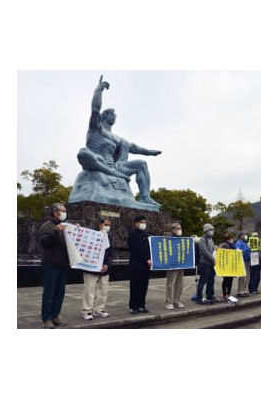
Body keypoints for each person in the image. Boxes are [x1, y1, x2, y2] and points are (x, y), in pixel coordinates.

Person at [77, 75, 162, 207]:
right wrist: (98, 90)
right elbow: (95, 109)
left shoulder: (117, 138)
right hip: (98, 162)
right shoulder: (96, 128)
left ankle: (145, 197)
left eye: (115, 115)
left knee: (141, 164)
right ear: (105, 116)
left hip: (116, 167)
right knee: (83, 153)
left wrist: (150, 152)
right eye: (112, 114)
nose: (115, 117)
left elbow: (134, 147)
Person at [39, 203, 70, 329]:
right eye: (62, 211)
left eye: (64, 211)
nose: (64, 213)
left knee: (59, 292)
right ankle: (46, 318)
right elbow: (44, 241)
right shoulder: (48, 226)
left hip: (62, 264)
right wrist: (55, 232)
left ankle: (55, 316)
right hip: (50, 264)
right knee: (49, 293)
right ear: (55, 212)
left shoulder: (65, 226)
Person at [81, 217, 113, 320]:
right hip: (92, 268)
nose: (107, 227)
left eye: (109, 225)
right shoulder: (91, 235)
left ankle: (99, 309)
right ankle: (87, 311)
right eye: (106, 224)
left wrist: (107, 264)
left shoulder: (109, 237)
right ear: (100, 225)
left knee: (103, 290)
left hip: (104, 268)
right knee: (89, 290)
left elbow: (111, 253)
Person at [127, 215, 152, 314]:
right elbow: (136, 249)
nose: (143, 224)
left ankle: (142, 305)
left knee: (143, 286)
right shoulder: (132, 235)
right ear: (136, 223)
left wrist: (150, 259)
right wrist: (146, 259)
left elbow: (149, 248)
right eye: (141, 222)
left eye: (144, 222)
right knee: (135, 286)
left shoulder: (146, 235)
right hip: (136, 265)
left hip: (146, 266)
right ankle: (133, 306)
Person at [164, 222, 185, 310]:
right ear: (173, 230)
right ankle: (169, 302)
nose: (180, 230)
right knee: (171, 283)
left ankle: (177, 300)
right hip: (172, 264)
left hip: (181, 264)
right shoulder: (169, 239)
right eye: (178, 228)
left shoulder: (183, 240)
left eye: (180, 228)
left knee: (179, 284)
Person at [196, 223, 217, 304]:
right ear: (206, 231)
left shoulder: (211, 239)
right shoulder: (202, 239)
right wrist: (213, 259)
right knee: (203, 281)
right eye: (211, 230)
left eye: (212, 230)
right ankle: (199, 297)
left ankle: (210, 296)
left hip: (210, 264)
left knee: (211, 280)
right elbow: (205, 251)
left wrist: (215, 248)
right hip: (204, 263)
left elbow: (211, 249)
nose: (212, 231)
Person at [219, 233, 239, 303]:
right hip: (227, 265)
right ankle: (225, 294)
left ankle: (228, 293)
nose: (232, 240)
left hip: (230, 265)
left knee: (229, 280)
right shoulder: (225, 245)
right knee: (226, 280)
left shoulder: (230, 245)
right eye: (231, 238)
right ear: (229, 239)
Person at [234, 232, 251, 298]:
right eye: (244, 235)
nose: (245, 236)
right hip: (242, 261)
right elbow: (238, 251)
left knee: (247, 276)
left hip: (247, 261)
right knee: (242, 276)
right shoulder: (238, 243)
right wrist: (247, 249)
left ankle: (244, 290)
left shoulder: (245, 243)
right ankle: (240, 291)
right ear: (241, 236)